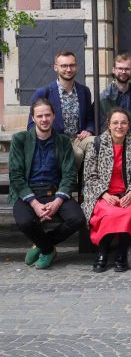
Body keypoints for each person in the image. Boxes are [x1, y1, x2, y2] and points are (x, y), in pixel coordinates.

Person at [10, 98, 86, 269]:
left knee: (77, 219)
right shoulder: (20, 140)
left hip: (55, 192)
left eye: (47, 115)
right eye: (40, 116)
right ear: (33, 118)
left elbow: (69, 174)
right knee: (25, 222)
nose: (44, 119)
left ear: (53, 116)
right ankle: (48, 249)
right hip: (28, 194)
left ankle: (41, 245)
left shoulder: (63, 141)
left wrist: (58, 201)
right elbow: (16, 176)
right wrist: (35, 204)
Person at [82, 108, 131, 273]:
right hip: (103, 194)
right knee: (108, 213)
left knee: (129, 211)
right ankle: (102, 253)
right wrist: (104, 194)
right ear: (108, 125)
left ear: (129, 126)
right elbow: (90, 176)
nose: (120, 126)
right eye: (115, 123)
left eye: (124, 123)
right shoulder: (96, 144)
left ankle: (121, 253)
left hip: (127, 193)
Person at [28, 51, 95, 168]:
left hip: (79, 139)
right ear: (55, 67)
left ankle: (89, 183)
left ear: (76, 67)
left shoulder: (84, 91)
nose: (68, 69)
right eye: (64, 66)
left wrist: (89, 130)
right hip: (56, 140)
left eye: (72, 65)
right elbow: (31, 125)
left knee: (97, 143)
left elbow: (89, 118)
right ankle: (71, 184)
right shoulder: (43, 93)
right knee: (77, 154)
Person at [99, 53, 131, 139]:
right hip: (110, 140)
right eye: (120, 68)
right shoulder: (104, 97)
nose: (123, 72)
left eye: (127, 69)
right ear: (113, 70)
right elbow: (101, 124)